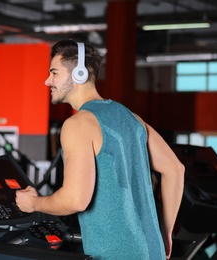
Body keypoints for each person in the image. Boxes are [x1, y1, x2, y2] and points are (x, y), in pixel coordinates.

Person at [15, 39, 185, 259]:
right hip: (154, 251)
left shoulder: (79, 124)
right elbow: (175, 169)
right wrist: (165, 231)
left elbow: (75, 199)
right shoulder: (132, 119)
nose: (47, 81)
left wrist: (33, 203)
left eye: (54, 73)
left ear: (79, 75)